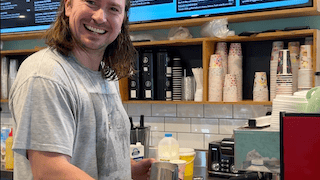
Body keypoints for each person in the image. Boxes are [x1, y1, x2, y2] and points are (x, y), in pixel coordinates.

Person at [9, 0, 156, 179]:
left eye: (113, 8)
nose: (100, 17)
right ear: (68, 5)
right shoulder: (46, 74)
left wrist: (130, 170)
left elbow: (94, 153)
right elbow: (49, 171)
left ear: (123, 18)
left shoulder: (107, 75)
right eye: (91, 2)